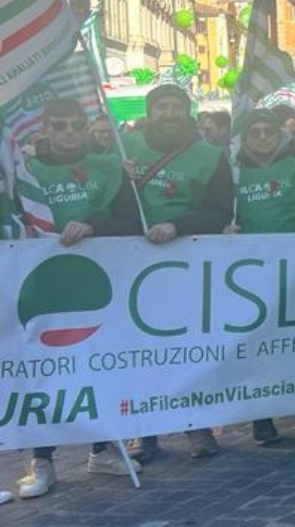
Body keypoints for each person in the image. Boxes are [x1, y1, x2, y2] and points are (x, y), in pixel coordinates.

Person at [13, 99, 141, 500]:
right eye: (59, 125)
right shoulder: (22, 172)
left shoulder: (110, 167)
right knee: (43, 372)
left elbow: (133, 221)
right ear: (45, 129)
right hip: (40, 287)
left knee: (99, 368)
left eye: (75, 125)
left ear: (86, 128)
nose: (68, 132)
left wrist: (92, 225)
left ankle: (102, 450)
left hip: (98, 285)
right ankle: (43, 460)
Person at [119, 85, 235, 463]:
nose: (169, 114)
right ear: (150, 112)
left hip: (188, 263)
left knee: (187, 349)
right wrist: (123, 181)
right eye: (161, 107)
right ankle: (145, 432)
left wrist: (177, 225)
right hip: (132, 267)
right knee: (138, 353)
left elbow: (219, 211)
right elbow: (108, 207)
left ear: (188, 113)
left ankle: (194, 423)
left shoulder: (210, 156)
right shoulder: (124, 150)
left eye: (176, 108)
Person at [225, 109, 295, 445]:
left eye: (268, 132)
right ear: (244, 138)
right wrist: (225, 228)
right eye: (254, 132)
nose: (262, 138)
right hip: (251, 275)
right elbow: (217, 208)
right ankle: (262, 415)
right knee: (258, 343)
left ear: (280, 134)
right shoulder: (232, 175)